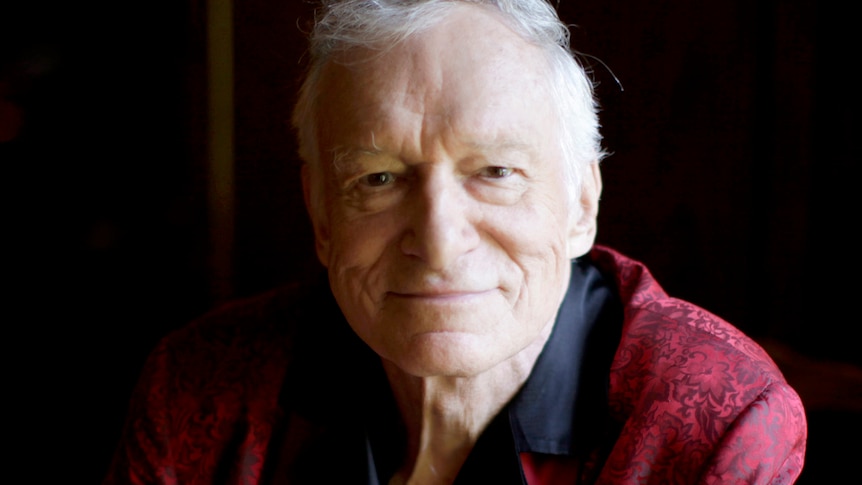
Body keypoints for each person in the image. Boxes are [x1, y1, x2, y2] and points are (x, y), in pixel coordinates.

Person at [103, 0, 807, 483]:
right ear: (321, 213)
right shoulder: (196, 394)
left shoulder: (709, 428)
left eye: (496, 172)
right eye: (378, 178)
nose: (439, 242)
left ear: (581, 203)